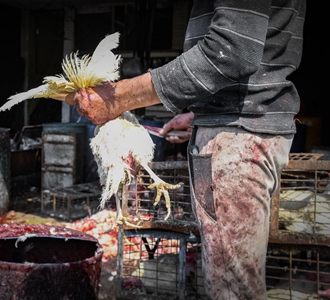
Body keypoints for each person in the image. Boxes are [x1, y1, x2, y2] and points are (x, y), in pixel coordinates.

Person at [65, 0, 306, 299]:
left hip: (238, 139)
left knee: (232, 291)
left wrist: (121, 97)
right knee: (236, 281)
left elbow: (231, 52)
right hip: (242, 129)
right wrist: (198, 116)